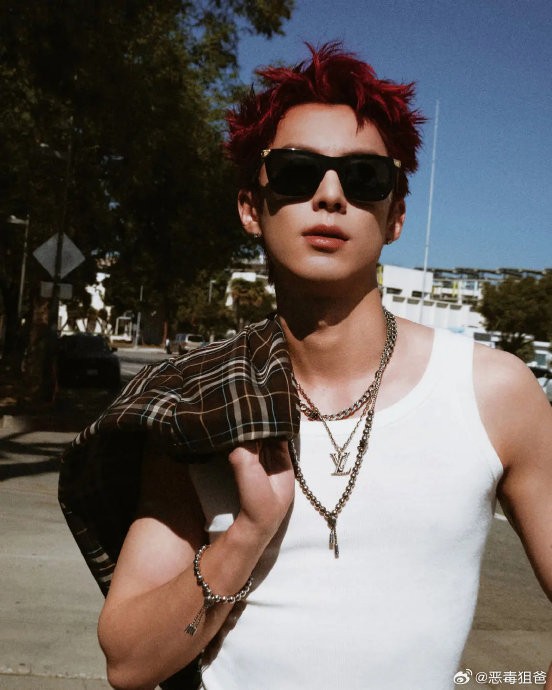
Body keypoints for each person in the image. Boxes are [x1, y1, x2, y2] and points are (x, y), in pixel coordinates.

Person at [59, 43, 552, 690]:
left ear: (396, 216)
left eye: (364, 177)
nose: (330, 195)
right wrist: (247, 533)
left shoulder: (492, 392)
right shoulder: (198, 404)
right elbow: (130, 663)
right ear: (250, 208)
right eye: (296, 172)